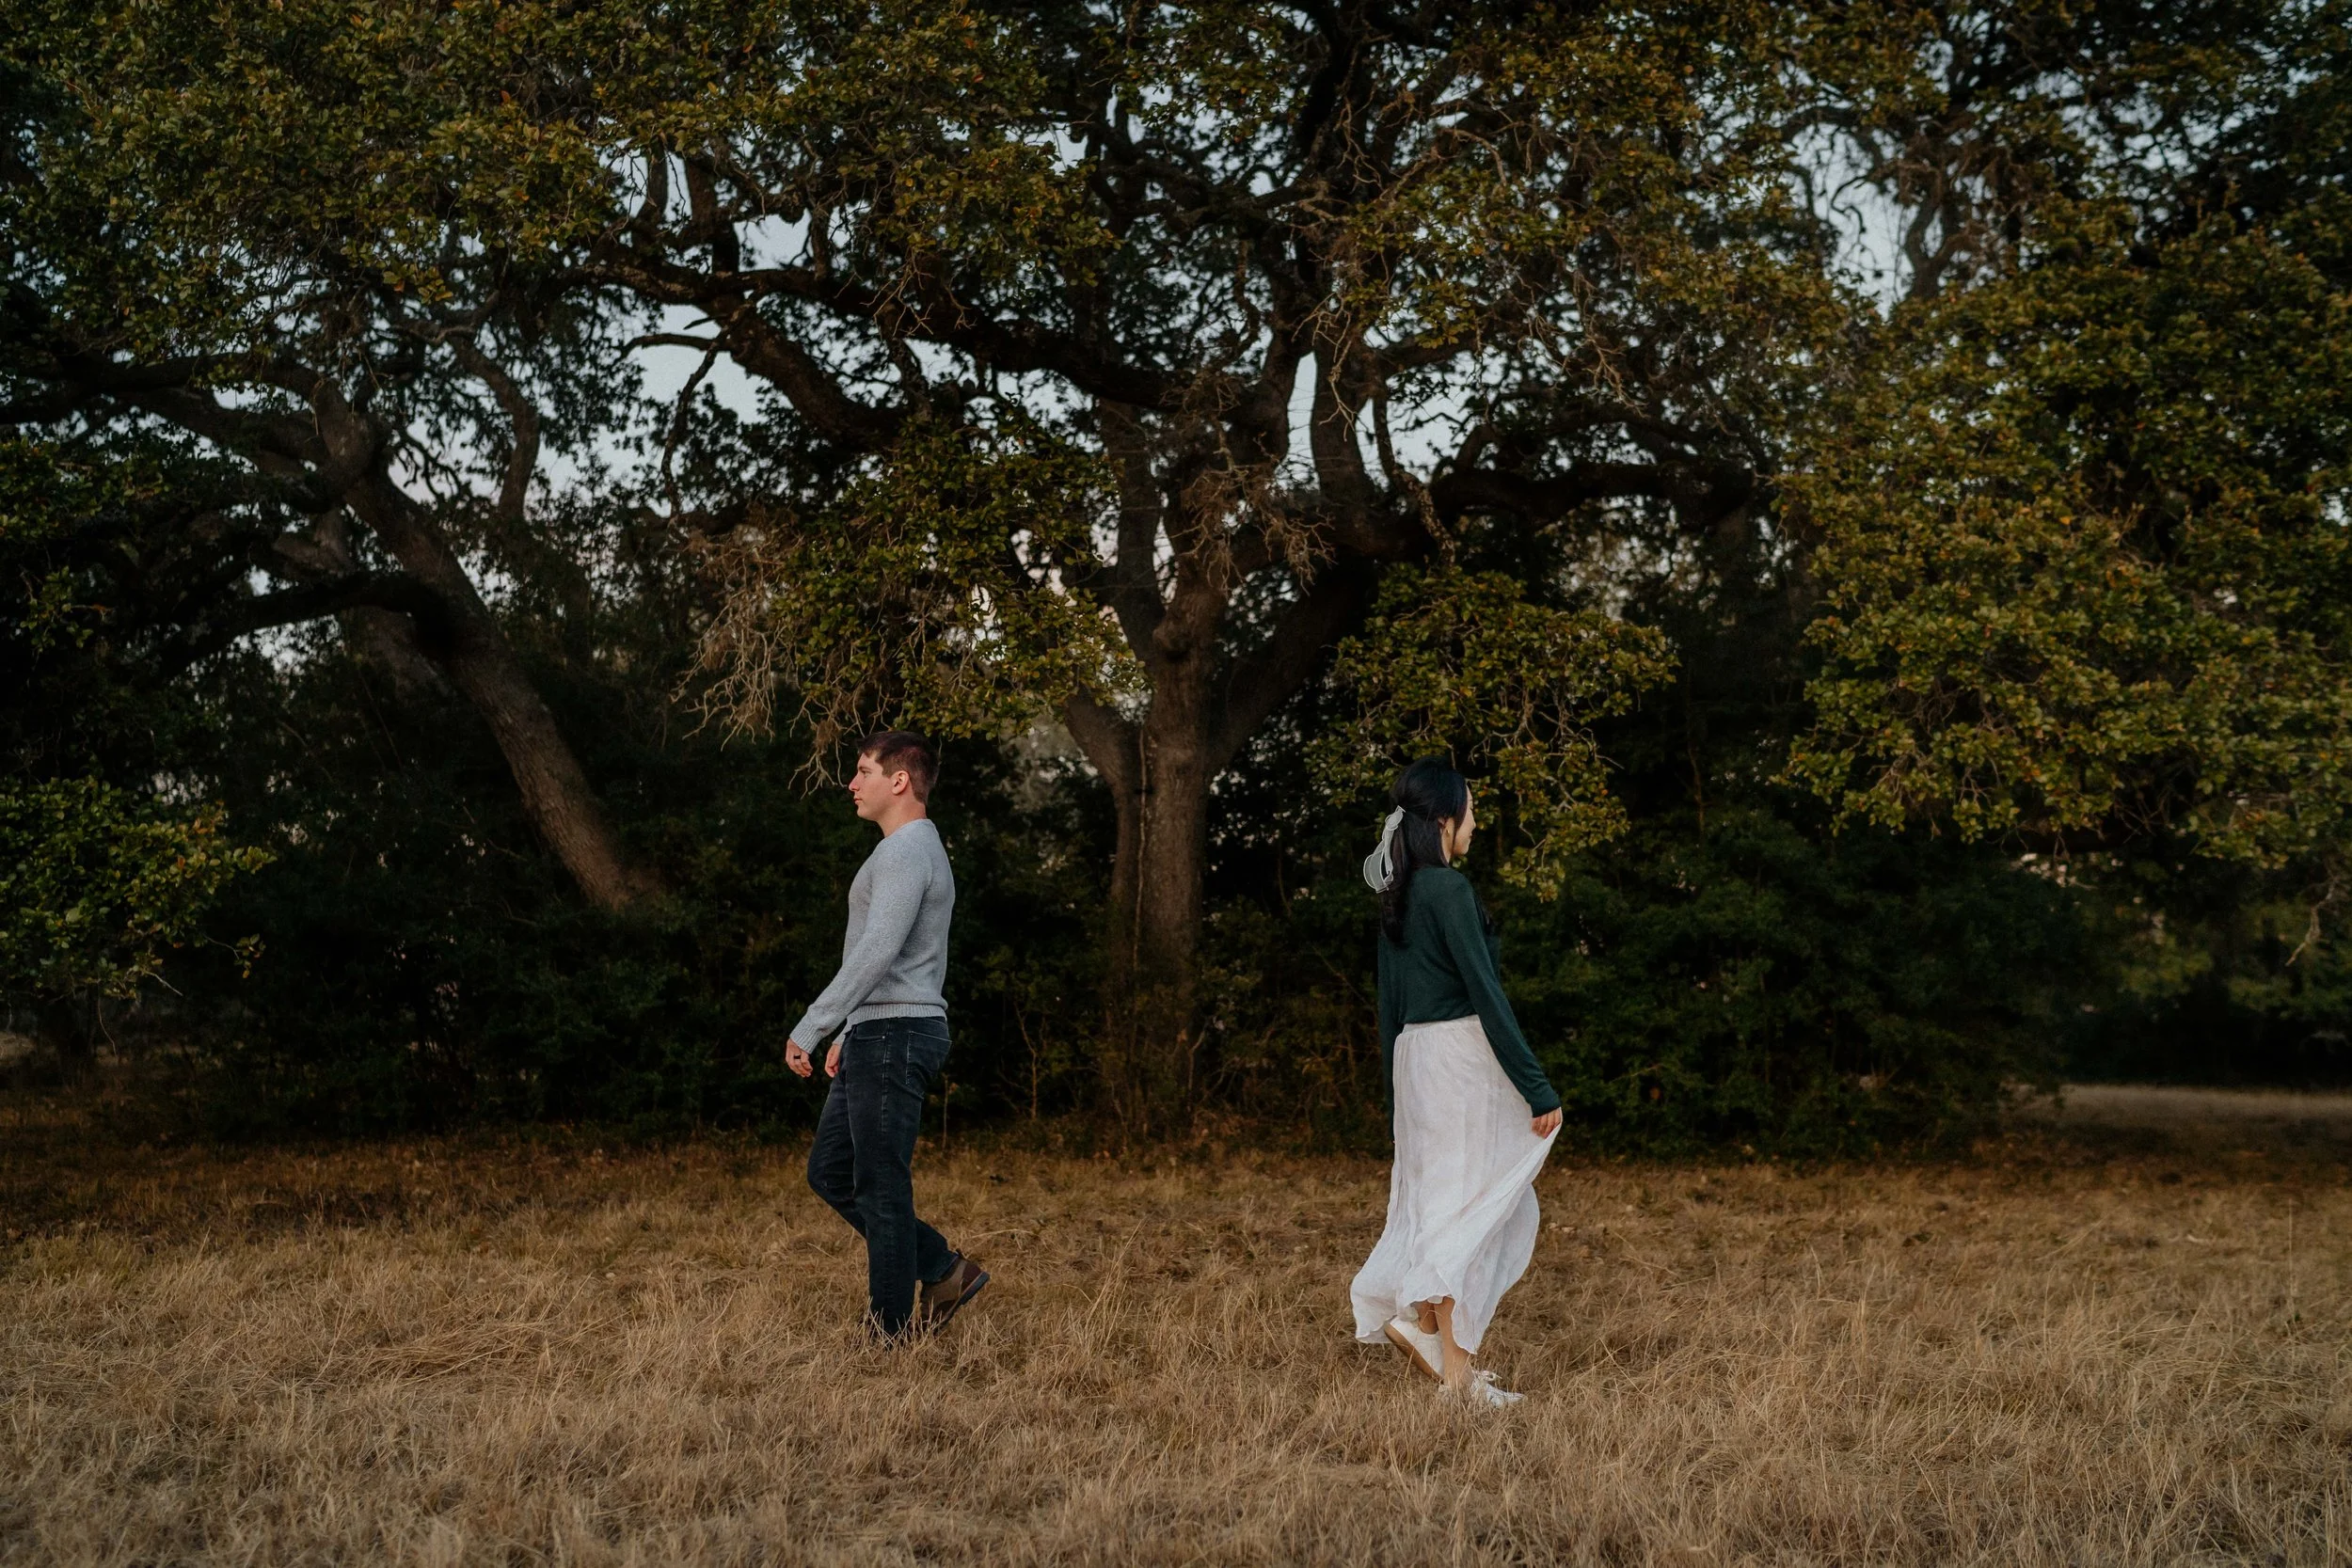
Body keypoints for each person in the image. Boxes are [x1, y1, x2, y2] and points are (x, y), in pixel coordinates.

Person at [1349, 757, 1564, 1407]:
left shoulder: (1399, 894)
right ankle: (1454, 1373)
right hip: (1461, 1056)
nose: (1476, 821)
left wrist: (1397, 1095)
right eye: (1471, 810)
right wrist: (1536, 1086)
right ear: (1445, 819)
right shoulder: (1448, 889)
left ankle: (1442, 1353)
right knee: (1480, 1204)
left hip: (1415, 1059)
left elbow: (1388, 1006)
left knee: (1443, 1201)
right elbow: (1485, 992)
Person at [785, 731, 989, 1340]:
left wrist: (814, 1024)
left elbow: (877, 951)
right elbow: (883, 958)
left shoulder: (906, 850)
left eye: (863, 771)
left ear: (898, 781)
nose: (852, 783)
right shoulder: (904, 850)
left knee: (880, 1186)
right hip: (877, 1030)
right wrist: (850, 1029)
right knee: (831, 1172)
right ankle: (943, 1269)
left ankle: (890, 1331)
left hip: (897, 1033)